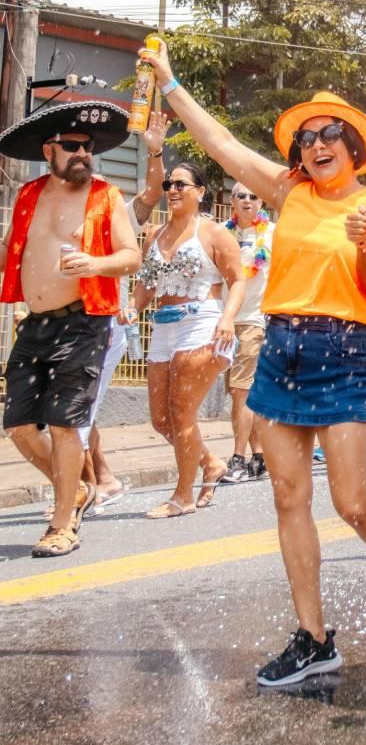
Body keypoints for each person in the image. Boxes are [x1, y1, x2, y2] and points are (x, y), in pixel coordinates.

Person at [143, 40, 366, 685]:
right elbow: (221, 143)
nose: (317, 145)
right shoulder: (290, 191)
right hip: (283, 347)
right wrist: (170, 83)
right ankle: (313, 637)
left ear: (354, 145)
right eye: (307, 137)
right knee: (288, 496)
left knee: (354, 503)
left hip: (345, 349)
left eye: (330, 133)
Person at [0, 101, 142, 556]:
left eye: (88, 147)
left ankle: (62, 526)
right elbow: (11, 252)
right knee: (19, 426)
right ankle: (77, 488)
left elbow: (131, 256)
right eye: (72, 146)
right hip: (35, 324)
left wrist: (96, 262)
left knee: (65, 426)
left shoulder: (106, 196)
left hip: (84, 323)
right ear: (49, 150)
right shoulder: (28, 195)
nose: (83, 153)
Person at [135, 162, 244, 517]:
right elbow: (147, 285)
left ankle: (182, 497)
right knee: (161, 419)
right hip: (163, 327)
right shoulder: (155, 235)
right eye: (169, 184)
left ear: (200, 191)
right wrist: (129, 310)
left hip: (202, 322)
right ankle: (211, 463)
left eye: (182, 184)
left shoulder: (213, 233)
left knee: (181, 412)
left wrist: (228, 318)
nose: (173, 190)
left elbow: (237, 280)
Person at [219, 182, 275, 484]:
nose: (248, 200)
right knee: (243, 393)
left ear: (262, 200)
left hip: (255, 322)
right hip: (225, 322)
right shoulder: (221, 233)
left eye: (254, 195)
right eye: (241, 195)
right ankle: (260, 456)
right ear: (232, 200)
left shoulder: (272, 234)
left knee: (241, 392)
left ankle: (238, 458)